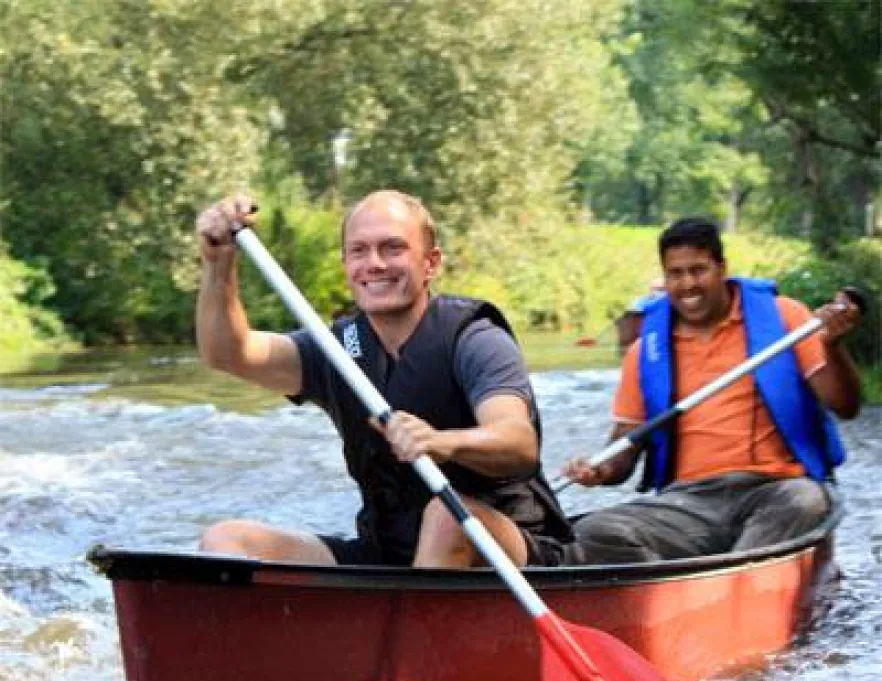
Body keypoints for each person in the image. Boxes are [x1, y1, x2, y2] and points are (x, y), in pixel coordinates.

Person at [195, 190, 573, 568]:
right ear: (346, 264)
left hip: (505, 548)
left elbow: (518, 442)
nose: (374, 264)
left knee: (446, 519)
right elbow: (228, 353)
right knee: (227, 539)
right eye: (358, 251)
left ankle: (414, 621)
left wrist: (441, 442)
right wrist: (218, 262)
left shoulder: (475, 338)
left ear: (431, 263)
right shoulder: (338, 349)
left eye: (392, 248)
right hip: (390, 555)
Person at [561, 216, 863, 564]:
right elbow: (625, 447)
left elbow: (845, 405)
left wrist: (835, 346)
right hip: (689, 502)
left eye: (698, 270)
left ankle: (734, 577)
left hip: (777, 489)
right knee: (593, 532)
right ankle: (672, 590)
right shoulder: (645, 351)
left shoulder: (787, 318)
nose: (688, 284)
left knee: (806, 501)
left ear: (721, 268)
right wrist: (600, 470)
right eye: (676, 274)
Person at [615, 277, 665, 355]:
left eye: (662, 289)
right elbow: (629, 318)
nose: (659, 293)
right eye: (657, 289)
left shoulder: (670, 304)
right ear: (650, 290)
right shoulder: (641, 302)